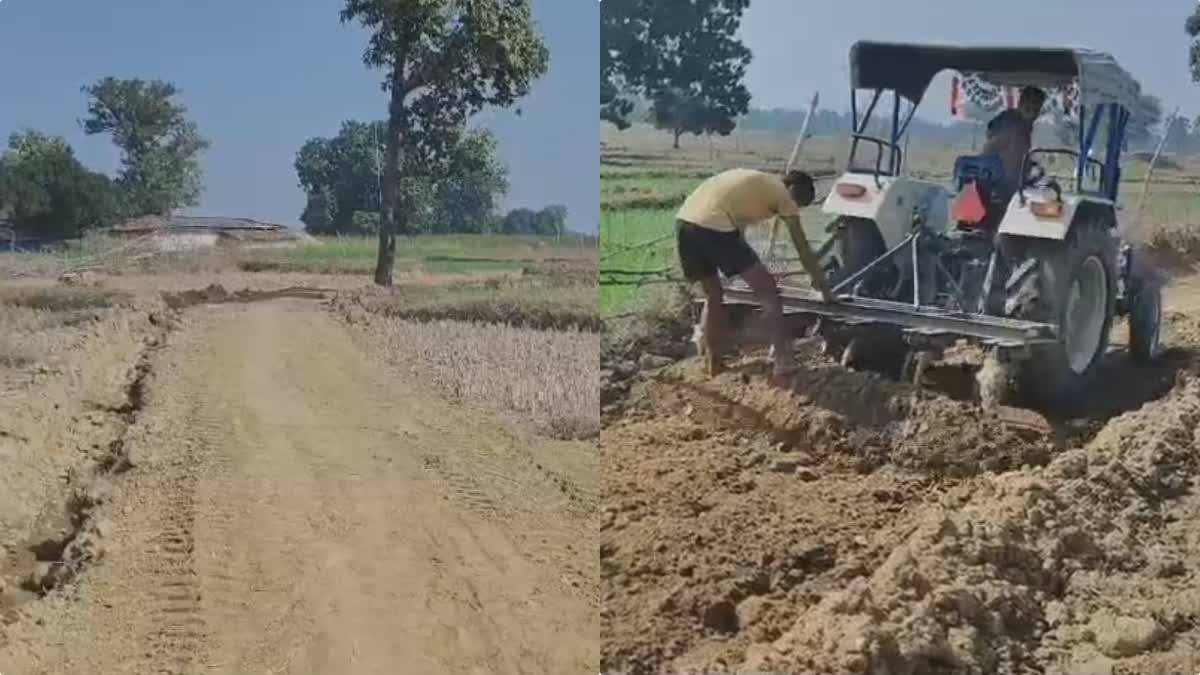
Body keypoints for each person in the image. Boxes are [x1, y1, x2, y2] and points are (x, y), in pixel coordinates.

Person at [675, 168, 832, 378]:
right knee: (770, 294)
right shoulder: (782, 194)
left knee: (714, 296)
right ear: (793, 189)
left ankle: (712, 363)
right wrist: (823, 287)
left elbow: (738, 234)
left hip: (685, 223)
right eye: (797, 204)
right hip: (713, 225)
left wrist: (747, 268)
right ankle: (783, 361)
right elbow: (802, 247)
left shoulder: (757, 185)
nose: (792, 210)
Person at [979, 86, 1047, 199]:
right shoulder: (1011, 125)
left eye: (1036, 110)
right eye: (1028, 108)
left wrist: (1030, 165)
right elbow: (989, 152)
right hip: (1001, 189)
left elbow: (1020, 156)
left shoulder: (1025, 127)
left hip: (1014, 187)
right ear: (1020, 104)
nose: (1032, 114)